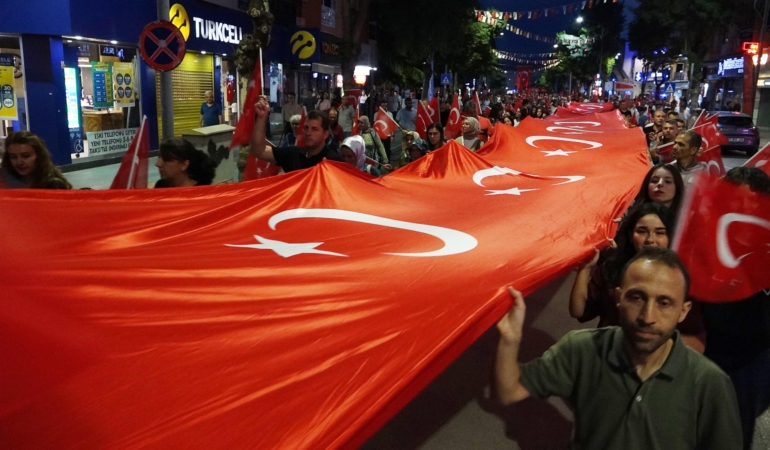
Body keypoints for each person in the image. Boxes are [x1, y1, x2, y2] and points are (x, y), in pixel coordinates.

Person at [497, 247, 743, 449]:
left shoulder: (710, 383)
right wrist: (510, 340)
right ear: (618, 298)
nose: (648, 316)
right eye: (637, 297)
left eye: (664, 303)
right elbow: (510, 391)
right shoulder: (581, 349)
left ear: (683, 311)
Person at [699, 166, 770, 449]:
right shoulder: (702, 244)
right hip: (701, 355)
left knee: (733, 434)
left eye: (749, 202)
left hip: (751, 364)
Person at [570, 202, 675, 327]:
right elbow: (578, 311)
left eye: (660, 233)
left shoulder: (677, 276)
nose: (650, 239)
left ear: (670, 237)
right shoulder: (612, 268)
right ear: (631, 236)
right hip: (610, 344)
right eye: (642, 231)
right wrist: (585, 267)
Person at [249, 96, 343, 172]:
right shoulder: (293, 154)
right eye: (306, 128)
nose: (308, 133)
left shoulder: (335, 162)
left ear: (325, 134)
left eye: (314, 129)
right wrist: (261, 118)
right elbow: (259, 151)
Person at [1, 131, 71, 189]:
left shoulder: (53, 184)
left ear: (39, 156)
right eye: (13, 157)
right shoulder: (5, 179)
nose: (19, 162)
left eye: (26, 156)